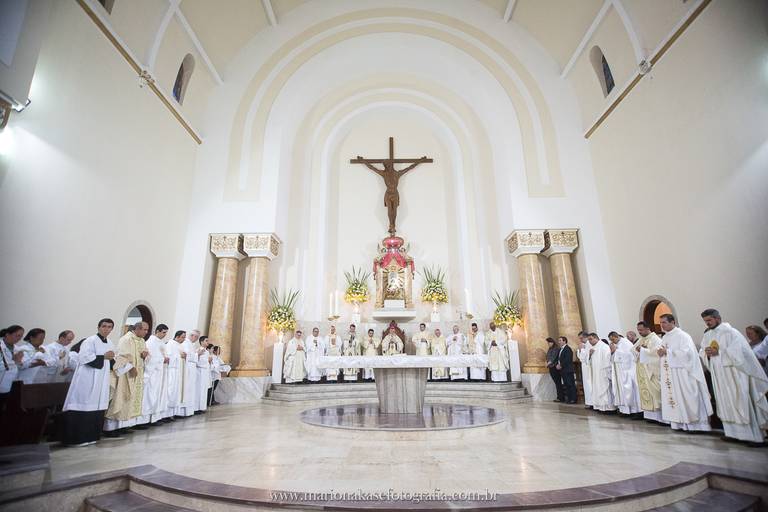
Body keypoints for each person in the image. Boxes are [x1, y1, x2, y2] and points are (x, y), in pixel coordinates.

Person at [698, 309, 768, 443]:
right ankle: (732, 433)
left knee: (740, 402)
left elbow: (741, 354)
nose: (707, 323)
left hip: (735, 375)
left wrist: (719, 352)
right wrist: (706, 353)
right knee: (725, 403)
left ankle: (752, 437)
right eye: (705, 321)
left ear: (718, 318)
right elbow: (702, 351)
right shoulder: (708, 335)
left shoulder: (731, 333)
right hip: (720, 376)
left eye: (709, 320)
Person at [60, 319, 116, 446]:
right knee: (84, 403)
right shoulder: (90, 341)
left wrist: (123, 365)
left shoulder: (110, 343)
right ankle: (76, 439)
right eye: (104, 326)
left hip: (101, 380)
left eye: (109, 327)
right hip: (87, 378)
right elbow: (83, 357)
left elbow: (112, 360)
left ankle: (91, 436)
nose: (106, 329)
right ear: (98, 327)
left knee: (97, 405)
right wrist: (103, 357)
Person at [657, 314, 712, 432]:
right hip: (671, 374)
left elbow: (688, 354)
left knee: (688, 397)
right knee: (676, 398)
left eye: (664, 322)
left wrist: (668, 352)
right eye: (661, 323)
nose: (662, 325)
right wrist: (661, 353)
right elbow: (664, 352)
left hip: (683, 373)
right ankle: (679, 423)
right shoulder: (665, 337)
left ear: (673, 322)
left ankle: (696, 425)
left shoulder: (683, 336)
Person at [104, 321, 149, 435]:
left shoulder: (142, 341)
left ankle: (124, 425)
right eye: (144, 330)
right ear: (137, 329)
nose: (146, 332)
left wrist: (145, 356)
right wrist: (130, 367)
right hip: (125, 374)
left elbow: (146, 356)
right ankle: (111, 428)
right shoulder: (126, 339)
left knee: (130, 400)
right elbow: (120, 356)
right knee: (120, 398)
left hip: (136, 376)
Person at [633, 321, 666, 423]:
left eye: (641, 330)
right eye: (638, 330)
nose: (639, 332)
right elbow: (633, 350)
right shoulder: (641, 340)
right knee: (646, 393)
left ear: (648, 328)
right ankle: (651, 416)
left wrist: (643, 351)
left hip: (651, 371)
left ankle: (661, 418)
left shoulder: (655, 339)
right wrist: (639, 350)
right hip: (643, 371)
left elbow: (656, 354)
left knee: (656, 393)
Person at [141, 324, 169, 424]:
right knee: (149, 396)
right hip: (152, 374)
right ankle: (144, 420)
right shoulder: (151, 342)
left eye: (166, 332)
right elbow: (150, 358)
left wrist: (165, 358)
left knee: (157, 395)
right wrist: (163, 359)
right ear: (157, 331)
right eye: (163, 332)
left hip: (159, 374)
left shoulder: (160, 343)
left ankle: (154, 418)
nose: (165, 335)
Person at [609, 331, 641, 415]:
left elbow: (629, 355)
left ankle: (635, 411)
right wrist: (613, 351)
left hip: (628, 371)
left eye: (613, 339)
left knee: (630, 391)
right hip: (620, 372)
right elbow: (613, 358)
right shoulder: (617, 344)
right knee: (622, 391)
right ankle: (625, 410)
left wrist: (616, 350)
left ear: (616, 336)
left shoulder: (626, 343)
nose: (612, 342)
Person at [587, 332, 615, 412]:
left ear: (596, 338)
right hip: (596, 373)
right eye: (589, 340)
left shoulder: (604, 346)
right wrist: (589, 355)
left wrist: (606, 371)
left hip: (603, 372)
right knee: (597, 389)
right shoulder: (592, 348)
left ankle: (609, 408)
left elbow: (607, 359)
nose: (589, 341)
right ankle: (600, 406)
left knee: (605, 390)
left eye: (591, 339)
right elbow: (589, 362)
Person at [177, 330, 200, 417]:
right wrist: (197, 354)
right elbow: (186, 355)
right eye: (196, 337)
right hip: (188, 369)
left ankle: (188, 411)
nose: (196, 339)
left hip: (191, 369)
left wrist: (196, 355)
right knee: (186, 389)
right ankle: (182, 412)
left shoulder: (190, 344)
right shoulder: (186, 343)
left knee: (190, 389)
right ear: (192, 336)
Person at [165, 330, 186, 419]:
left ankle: (172, 414)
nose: (184, 339)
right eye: (182, 337)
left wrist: (184, 356)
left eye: (184, 337)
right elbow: (169, 357)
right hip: (172, 371)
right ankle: (166, 414)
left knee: (176, 393)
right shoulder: (170, 344)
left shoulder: (180, 345)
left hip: (178, 372)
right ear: (177, 337)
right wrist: (179, 356)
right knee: (170, 391)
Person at [0, 325, 25, 395]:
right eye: (17, 335)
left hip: (10, 385)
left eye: (21, 336)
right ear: (7, 335)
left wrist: (19, 362)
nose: (19, 338)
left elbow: (20, 367)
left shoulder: (17, 349)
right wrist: (14, 361)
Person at [556, 336, 576, 403]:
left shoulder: (568, 349)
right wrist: (557, 364)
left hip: (568, 370)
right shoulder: (560, 349)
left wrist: (561, 365)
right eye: (559, 340)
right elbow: (559, 358)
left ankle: (573, 399)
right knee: (566, 384)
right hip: (563, 370)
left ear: (564, 341)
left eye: (560, 340)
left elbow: (567, 359)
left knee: (570, 384)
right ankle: (569, 398)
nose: (559, 342)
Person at [195, 336, 212, 413]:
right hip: (200, 372)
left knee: (204, 391)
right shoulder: (198, 350)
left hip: (205, 373)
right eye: (206, 341)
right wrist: (207, 361)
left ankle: (201, 407)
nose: (207, 342)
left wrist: (209, 361)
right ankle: (197, 408)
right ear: (201, 342)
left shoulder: (207, 351)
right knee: (199, 390)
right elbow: (198, 362)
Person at [576, 331, 593, 409]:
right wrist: (580, 350)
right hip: (584, 367)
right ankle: (589, 402)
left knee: (590, 385)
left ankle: (592, 402)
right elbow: (580, 358)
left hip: (589, 367)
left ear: (585, 337)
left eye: (581, 338)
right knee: (586, 385)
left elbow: (584, 358)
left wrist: (582, 350)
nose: (580, 340)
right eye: (579, 338)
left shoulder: (590, 345)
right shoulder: (583, 345)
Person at [546, 337, 563, 402]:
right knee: (556, 383)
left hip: (554, 367)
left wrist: (548, 363)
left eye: (549, 343)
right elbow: (548, 357)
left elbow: (553, 357)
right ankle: (559, 396)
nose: (548, 344)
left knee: (558, 382)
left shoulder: (556, 349)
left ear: (552, 342)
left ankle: (560, 397)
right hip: (551, 367)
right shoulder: (550, 349)